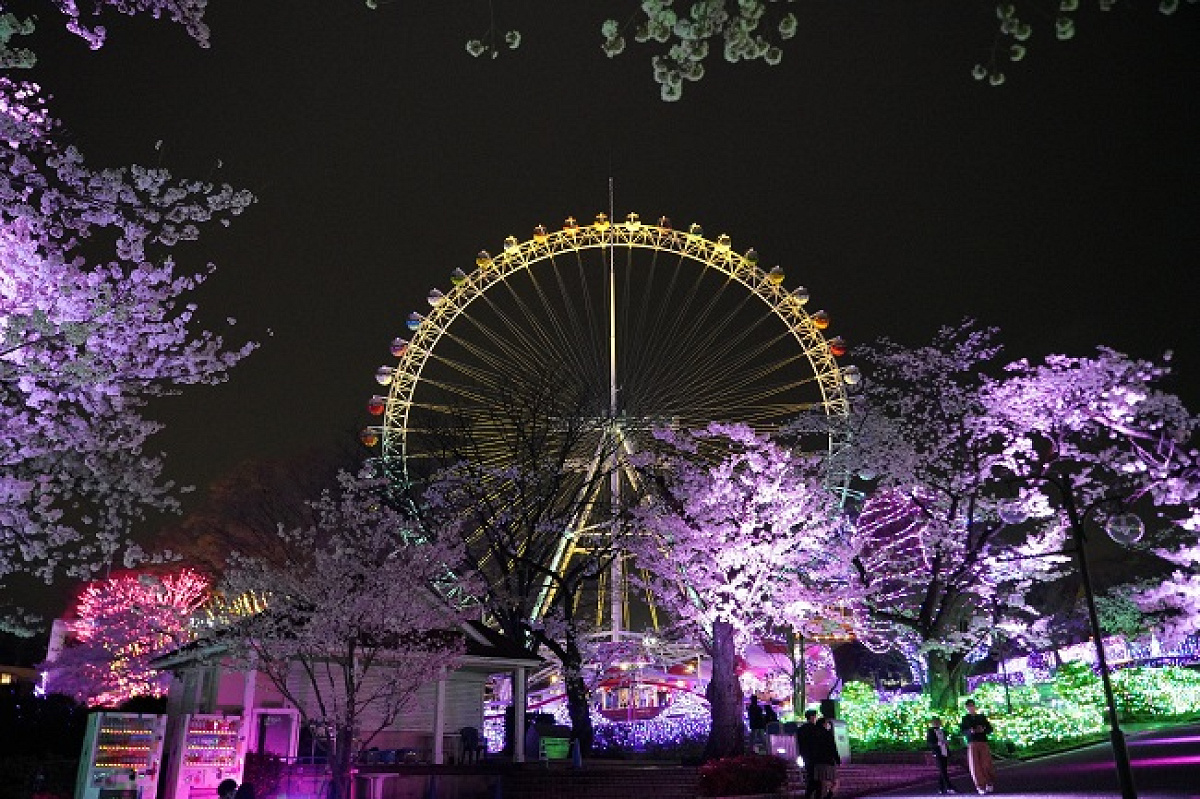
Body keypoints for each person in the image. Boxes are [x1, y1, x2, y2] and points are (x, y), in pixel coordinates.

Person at [959, 699, 996, 795]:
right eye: (969, 706)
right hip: (972, 742)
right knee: (975, 765)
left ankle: (989, 781)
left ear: (975, 706)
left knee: (986, 763)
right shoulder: (965, 719)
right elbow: (962, 731)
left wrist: (983, 729)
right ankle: (980, 785)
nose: (971, 708)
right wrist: (970, 731)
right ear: (966, 708)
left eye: (972, 705)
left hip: (983, 741)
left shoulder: (981, 717)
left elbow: (990, 729)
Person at [808, 716, 841, 799]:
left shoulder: (813, 735)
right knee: (835, 782)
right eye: (826, 723)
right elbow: (833, 748)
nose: (827, 725)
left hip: (817, 762)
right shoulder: (827, 734)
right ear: (824, 724)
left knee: (822, 782)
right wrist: (837, 760)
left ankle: (821, 796)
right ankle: (828, 796)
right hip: (828, 762)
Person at [926, 717, 958, 795]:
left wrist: (946, 743)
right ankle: (949, 787)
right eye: (935, 722)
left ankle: (941, 788)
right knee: (943, 770)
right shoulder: (930, 731)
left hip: (944, 752)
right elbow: (929, 743)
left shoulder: (943, 731)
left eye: (938, 722)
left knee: (943, 770)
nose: (937, 723)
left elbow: (944, 739)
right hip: (937, 752)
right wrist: (938, 744)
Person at [795, 709, 822, 799]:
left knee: (811, 776)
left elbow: (799, 743)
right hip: (816, 757)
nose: (816, 718)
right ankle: (810, 795)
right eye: (815, 716)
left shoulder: (801, 729)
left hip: (806, 756)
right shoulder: (815, 729)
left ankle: (810, 794)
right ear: (812, 717)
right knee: (817, 779)